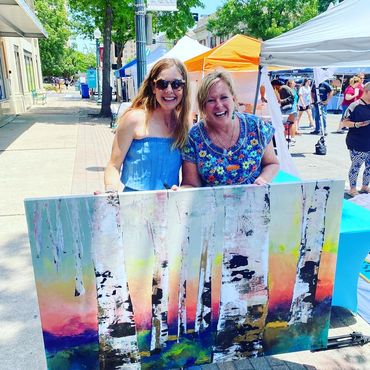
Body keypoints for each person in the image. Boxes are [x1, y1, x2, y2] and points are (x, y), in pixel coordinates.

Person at [104, 58, 191, 192]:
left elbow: (188, 178)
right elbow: (114, 166)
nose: (169, 90)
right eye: (162, 84)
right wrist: (110, 195)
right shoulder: (133, 119)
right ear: (153, 87)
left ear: (184, 88)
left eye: (176, 84)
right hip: (134, 206)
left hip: (168, 207)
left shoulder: (184, 124)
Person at [181, 70, 279, 187]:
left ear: (233, 98)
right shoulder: (194, 136)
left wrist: (262, 180)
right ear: (203, 106)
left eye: (223, 97)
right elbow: (191, 184)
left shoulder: (256, 126)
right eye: (211, 100)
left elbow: (272, 163)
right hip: (212, 204)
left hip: (254, 201)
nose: (219, 105)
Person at [342, 82, 370, 197]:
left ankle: (365, 186)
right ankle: (352, 188)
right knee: (356, 166)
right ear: (367, 92)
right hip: (357, 142)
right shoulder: (355, 105)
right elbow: (344, 122)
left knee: (369, 166)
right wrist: (358, 124)